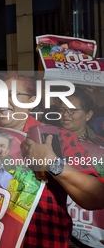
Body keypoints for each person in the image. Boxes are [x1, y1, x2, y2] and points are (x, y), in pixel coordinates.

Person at [0, 73, 104, 247]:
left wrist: (53, 163)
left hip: (39, 240)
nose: (2, 101)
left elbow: (97, 196)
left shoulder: (55, 137)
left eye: (12, 95)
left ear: (31, 100)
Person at [58, 87, 104, 248]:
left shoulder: (100, 146)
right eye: (62, 110)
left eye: (72, 110)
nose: (65, 114)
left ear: (88, 115)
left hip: (93, 229)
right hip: (60, 226)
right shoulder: (48, 140)